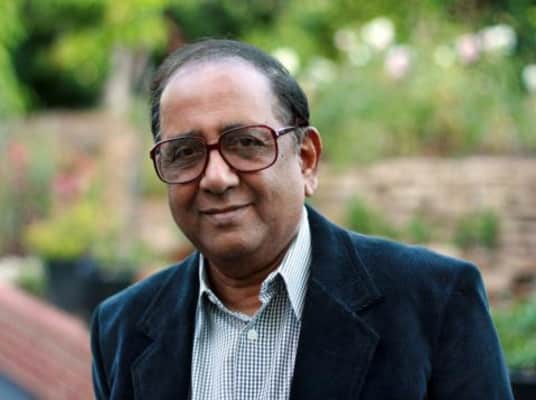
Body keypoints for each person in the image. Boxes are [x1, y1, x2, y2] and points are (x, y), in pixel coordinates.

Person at [90, 39, 513, 400]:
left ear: (306, 160)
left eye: (246, 143)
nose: (216, 178)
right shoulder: (122, 329)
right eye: (184, 152)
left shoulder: (433, 301)